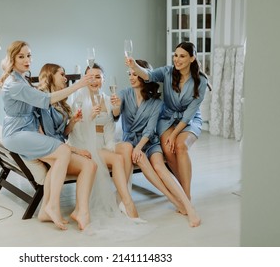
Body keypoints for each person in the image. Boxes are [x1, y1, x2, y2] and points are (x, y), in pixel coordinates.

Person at [0, 41, 93, 230]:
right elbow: (46, 100)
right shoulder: (16, 84)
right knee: (64, 151)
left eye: (29, 55)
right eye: (21, 56)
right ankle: (51, 205)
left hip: (24, 131)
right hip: (18, 133)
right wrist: (80, 84)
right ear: (12, 59)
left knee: (59, 156)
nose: (27, 60)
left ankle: (45, 211)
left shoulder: (20, 79)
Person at [112, 59, 201, 227]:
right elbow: (115, 114)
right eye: (129, 74)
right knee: (141, 159)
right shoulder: (124, 94)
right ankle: (175, 201)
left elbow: (151, 129)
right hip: (131, 142)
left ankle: (189, 207)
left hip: (149, 141)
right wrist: (116, 107)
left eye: (135, 74)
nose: (131, 77)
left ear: (144, 77)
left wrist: (140, 146)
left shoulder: (156, 103)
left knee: (160, 167)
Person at [125, 41, 208, 200]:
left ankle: (186, 196)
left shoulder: (201, 81)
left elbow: (190, 112)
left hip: (189, 120)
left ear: (192, 58)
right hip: (167, 118)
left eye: (182, 56)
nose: (177, 59)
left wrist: (174, 134)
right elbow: (148, 75)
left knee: (180, 146)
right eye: (175, 55)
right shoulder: (167, 72)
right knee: (169, 151)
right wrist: (134, 66)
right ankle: (181, 192)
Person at [67, 63, 145, 223]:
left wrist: (116, 109)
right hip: (86, 143)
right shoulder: (79, 100)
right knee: (117, 159)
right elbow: (75, 131)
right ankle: (128, 203)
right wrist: (89, 118)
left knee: (127, 147)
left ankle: (121, 196)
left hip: (104, 143)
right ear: (85, 79)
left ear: (103, 79)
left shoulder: (108, 99)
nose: (95, 81)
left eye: (98, 77)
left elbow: (111, 125)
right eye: (91, 77)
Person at [35, 63, 97, 230]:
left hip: (58, 146)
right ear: (50, 76)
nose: (65, 78)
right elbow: (49, 137)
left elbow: (63, 134)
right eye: (61, 74)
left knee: (90, 163)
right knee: (90, 165)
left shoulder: (61, 103)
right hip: (49, 148)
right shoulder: (42, 100)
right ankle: (81, 211)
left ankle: (70, 210)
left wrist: (73, 122)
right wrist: (75, 150)